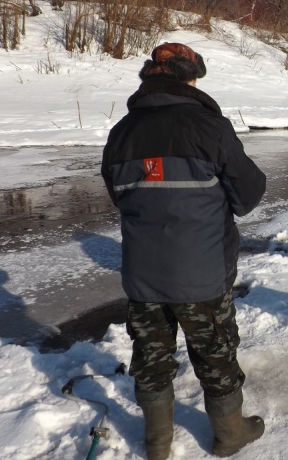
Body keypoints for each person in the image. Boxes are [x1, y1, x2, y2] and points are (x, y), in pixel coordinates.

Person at [101, 42, 267, 459]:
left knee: (150, 359)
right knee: (215, 354)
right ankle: (229, 435)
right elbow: (248, 193)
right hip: (202, 275)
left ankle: (157, 442)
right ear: (189, 78)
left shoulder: (121, 131)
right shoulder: (209, 126)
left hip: (143, 277)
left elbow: (119, 197)